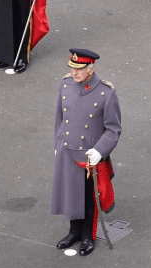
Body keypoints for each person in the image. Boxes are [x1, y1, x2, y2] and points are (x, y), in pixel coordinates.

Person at [51, 49, 122, 257]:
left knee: (89, 198)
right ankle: (73, 232)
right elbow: (59, 118)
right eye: (72, 69)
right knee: (71, 193)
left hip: (89, 155)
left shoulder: (106, 93)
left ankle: (87, 237)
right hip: (68, 150)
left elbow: (113, 129)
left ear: (91, 69)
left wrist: (100, 151)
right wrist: (59, 142)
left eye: (79, 70)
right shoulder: (65, 85)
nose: (74, 74)